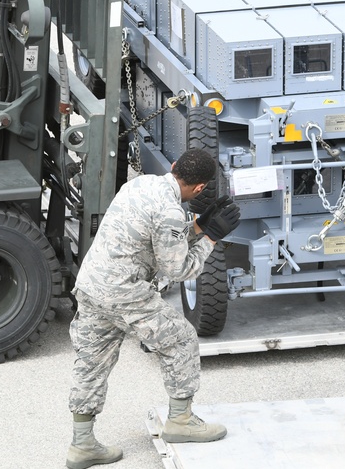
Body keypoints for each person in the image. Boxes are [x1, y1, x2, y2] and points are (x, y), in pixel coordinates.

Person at [66, 148, 241, 469]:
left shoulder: (139, 185)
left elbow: (158, 237)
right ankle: (180, 421)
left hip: (92, 284)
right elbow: (179, 269)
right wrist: (212, 238)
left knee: (91, 361)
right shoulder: (171, 212)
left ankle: (82, 445)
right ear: (200, 188)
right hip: (125, 292)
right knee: (182, 339)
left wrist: (200, 226)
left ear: (173, 167)